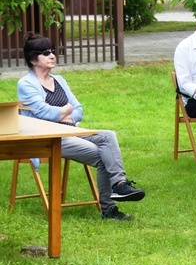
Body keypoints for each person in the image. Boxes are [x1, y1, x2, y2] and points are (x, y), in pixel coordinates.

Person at [18, 33, 145, 221]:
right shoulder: (25, 84)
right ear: (33, 59)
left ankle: (119, 184)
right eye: (46, 53)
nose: (52, 56)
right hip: (49, 137)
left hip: (71, 131)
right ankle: (109, 209)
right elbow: (46, 114)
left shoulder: (59, 80)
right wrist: (66, 110)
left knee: (108, 135)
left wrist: (66, 113)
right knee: (104, 156)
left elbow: (79, 110)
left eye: (53, 52)